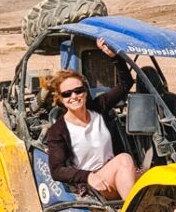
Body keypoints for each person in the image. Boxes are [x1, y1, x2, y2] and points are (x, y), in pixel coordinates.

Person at [46, 37, 138, 199]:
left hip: (115, 174)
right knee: (124, 159)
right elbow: (57, 170)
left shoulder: (98, 108)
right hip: (93, 185)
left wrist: (114, 56)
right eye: (67, 94)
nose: (74, 96)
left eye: (78, 90)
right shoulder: (58, 130)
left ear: (85, 92)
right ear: (60, 99)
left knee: (161, 190)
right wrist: (88, 176)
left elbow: (126, 84)